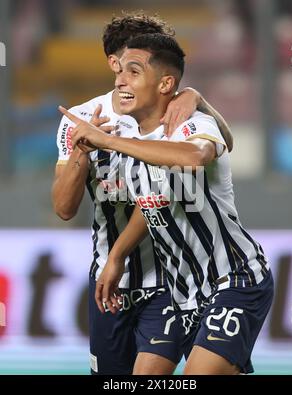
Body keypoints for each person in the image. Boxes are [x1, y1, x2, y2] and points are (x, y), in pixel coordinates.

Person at [60, 32, 274, 375]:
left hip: (233, 278)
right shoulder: (129, 144)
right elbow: (152, 206)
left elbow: (196, 156)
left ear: (165, 84)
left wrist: (107, 140)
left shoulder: (193, 125)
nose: (120, 81)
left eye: (133, 71)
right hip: (182, 294)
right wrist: (116, 257)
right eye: (118, 73)